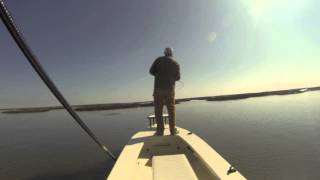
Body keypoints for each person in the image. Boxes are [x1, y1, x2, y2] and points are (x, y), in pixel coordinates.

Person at [149, 47, 180, 135]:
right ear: (171, 54)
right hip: (170, 90)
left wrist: (159, 75)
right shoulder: (176, 63)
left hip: (158, 89)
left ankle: (160, 131)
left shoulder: (158, 60)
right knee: (171, 110)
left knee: (158, 110)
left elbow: (151, 71)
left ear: (164, 53)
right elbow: (178, 78)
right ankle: (172, 130)